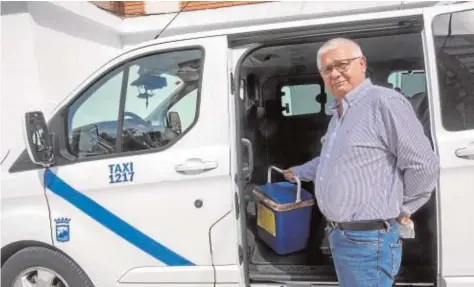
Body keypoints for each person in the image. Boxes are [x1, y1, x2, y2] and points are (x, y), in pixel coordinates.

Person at [283, 38, 440, 287]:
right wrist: (299, 172)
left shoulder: (383, 102)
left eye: (342, 64)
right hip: (342, 235)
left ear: (362, 63)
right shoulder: (339, 113)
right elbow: (331, 160)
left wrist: (402, 209)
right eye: (327, 69)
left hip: (367, 239)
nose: (334, 73)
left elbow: (423, 165)